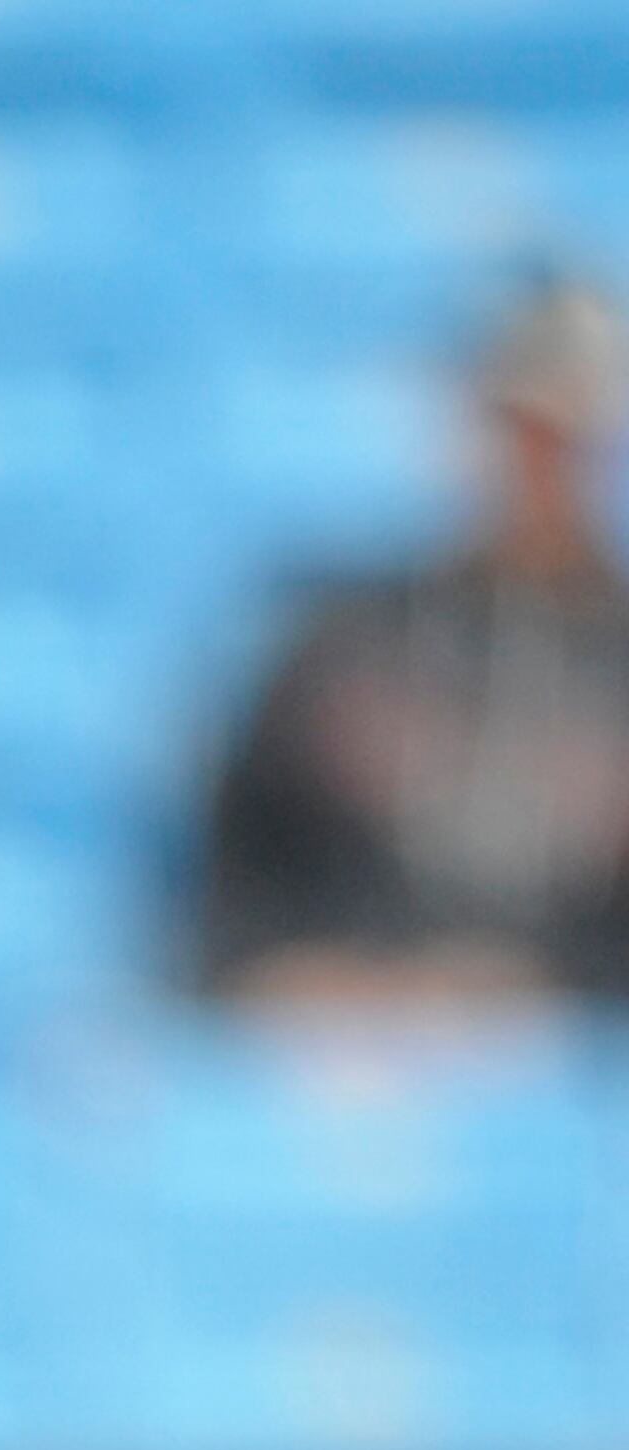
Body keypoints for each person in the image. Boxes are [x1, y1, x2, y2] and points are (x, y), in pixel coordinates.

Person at [186, 268, 629, 1012]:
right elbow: (231, 879)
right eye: (518, 427)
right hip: (345, 1063)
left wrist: (548, 991)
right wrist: (296, 976)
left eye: (565, 435)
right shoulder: (345, 643)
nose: (538, 462)